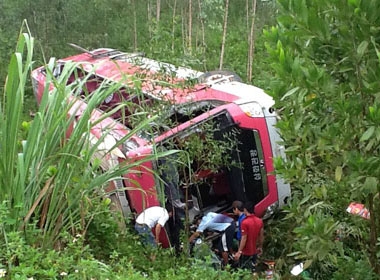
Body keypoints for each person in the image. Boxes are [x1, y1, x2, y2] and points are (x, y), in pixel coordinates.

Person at [234, 201, 264, 272]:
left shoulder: (245, 222)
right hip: (255, 251)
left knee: (244, 271)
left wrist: (239, 251)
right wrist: (260, 247)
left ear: (245, 210)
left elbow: (244, 238)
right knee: (254, 269)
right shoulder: (259, 221)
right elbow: (261, 236)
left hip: (246, 252)